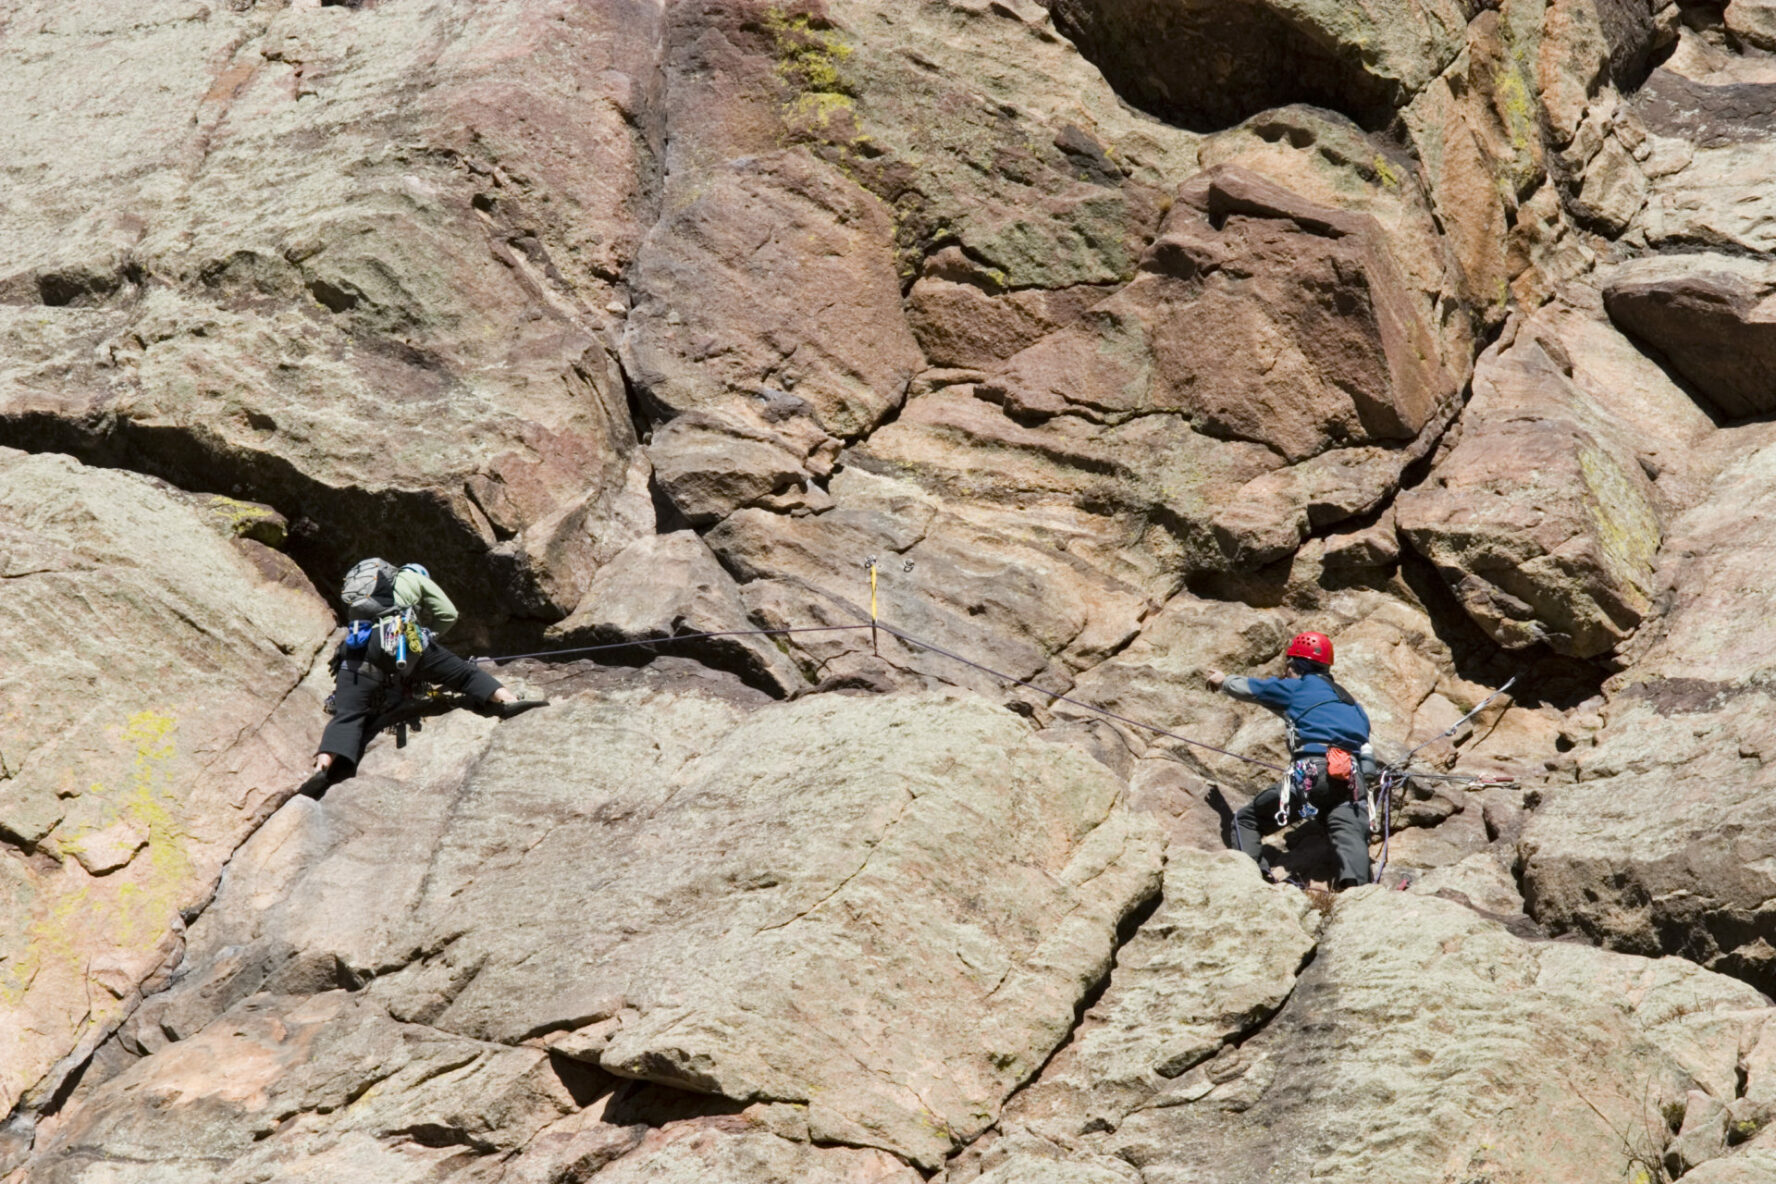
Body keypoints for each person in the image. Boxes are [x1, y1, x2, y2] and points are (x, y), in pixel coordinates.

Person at [311, 559, 546, 779]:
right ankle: (507, 700)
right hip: (397, 638)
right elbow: (448, 613)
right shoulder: (414, 577)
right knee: (463, 673)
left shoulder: (370, 591)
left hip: (356, 647)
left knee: (348, 713)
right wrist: (429, 636)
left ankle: (322, 766)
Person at [1206, 630, 1373, 889]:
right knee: (1349, 833)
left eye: (1288, 667)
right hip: (1351, 777)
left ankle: (1254, 881)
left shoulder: (1298, 687)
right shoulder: (1352, 704)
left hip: (1311, 772)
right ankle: (1357, 892)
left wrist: (1223, 680)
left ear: (1295, 665)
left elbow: (1253, 689)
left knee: (1246, 819)